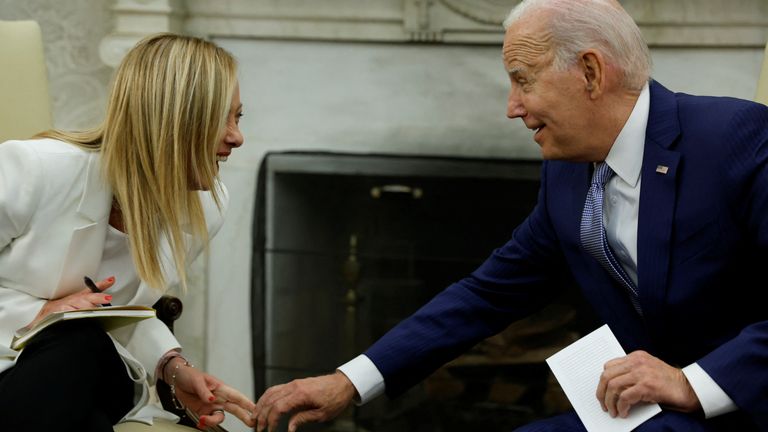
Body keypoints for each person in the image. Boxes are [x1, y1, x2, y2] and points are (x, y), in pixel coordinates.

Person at [252, 0, 768, 431]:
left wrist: (689, 382)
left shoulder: (734, 139)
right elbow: (489, 292)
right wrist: (348, 382)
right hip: (641, 414)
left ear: (590, 72)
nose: (511, 106)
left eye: (523, 80)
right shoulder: (567, 174)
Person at [0, 33, 257, 431]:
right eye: (219, 118)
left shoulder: (205, 207)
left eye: (238, 117)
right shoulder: (36, 170)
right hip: (14, 370)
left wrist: (172, 367)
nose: (236, 137)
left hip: (89, 373)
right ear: (168, 120)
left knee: (86, 352)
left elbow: (122, 312)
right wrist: (37, 314)